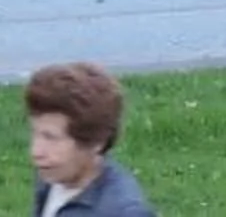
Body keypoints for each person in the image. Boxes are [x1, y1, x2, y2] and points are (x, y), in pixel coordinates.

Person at [24, 61, 157, 217]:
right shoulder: (52, 174)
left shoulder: (121, 211)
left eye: (51, 138)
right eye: (36, 133)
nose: (36, 151)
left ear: (95, 143)